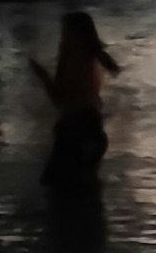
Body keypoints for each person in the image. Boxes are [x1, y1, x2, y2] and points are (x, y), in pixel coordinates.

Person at [29, 11, 123, 190]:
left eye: (64, 34)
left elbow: (59, 100)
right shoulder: (94, 57)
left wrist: (43, 77)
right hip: (92, 128)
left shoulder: (70, 58)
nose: (61, 39)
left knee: (57, 187)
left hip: (72, 130)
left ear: (75, 36)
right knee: (85, 190)